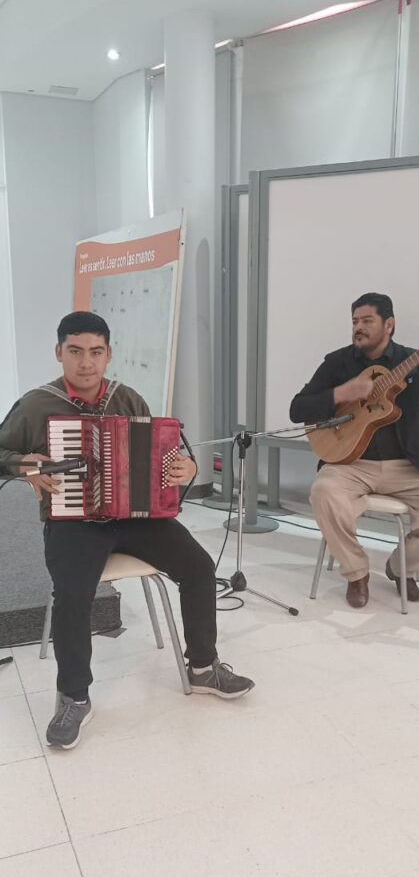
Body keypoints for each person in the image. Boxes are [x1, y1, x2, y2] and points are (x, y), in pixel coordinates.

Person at [0, 311, 254, 748]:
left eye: (95, 352)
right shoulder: (36, 404)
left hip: (136, 518)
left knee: (198, 567)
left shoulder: (128, 398)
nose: (86, 362)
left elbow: (161, 455)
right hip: (73, 521)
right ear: (59, 352)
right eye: (75, 351)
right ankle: (74, 696)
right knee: (72, 592)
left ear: (108, 354)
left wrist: (185, 467)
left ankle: (203, 666)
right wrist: (22, 464)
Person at [290, 292, 419, 609]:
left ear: (389, 324)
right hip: (350, 464)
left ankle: (401, 568)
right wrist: (342, 392)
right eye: (355, 321)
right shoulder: (337, 363)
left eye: (367, 320)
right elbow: (297, 409)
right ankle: (357, 573)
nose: (359, 327)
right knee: (323, 492)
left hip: (406, 466)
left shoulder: (416, 361)